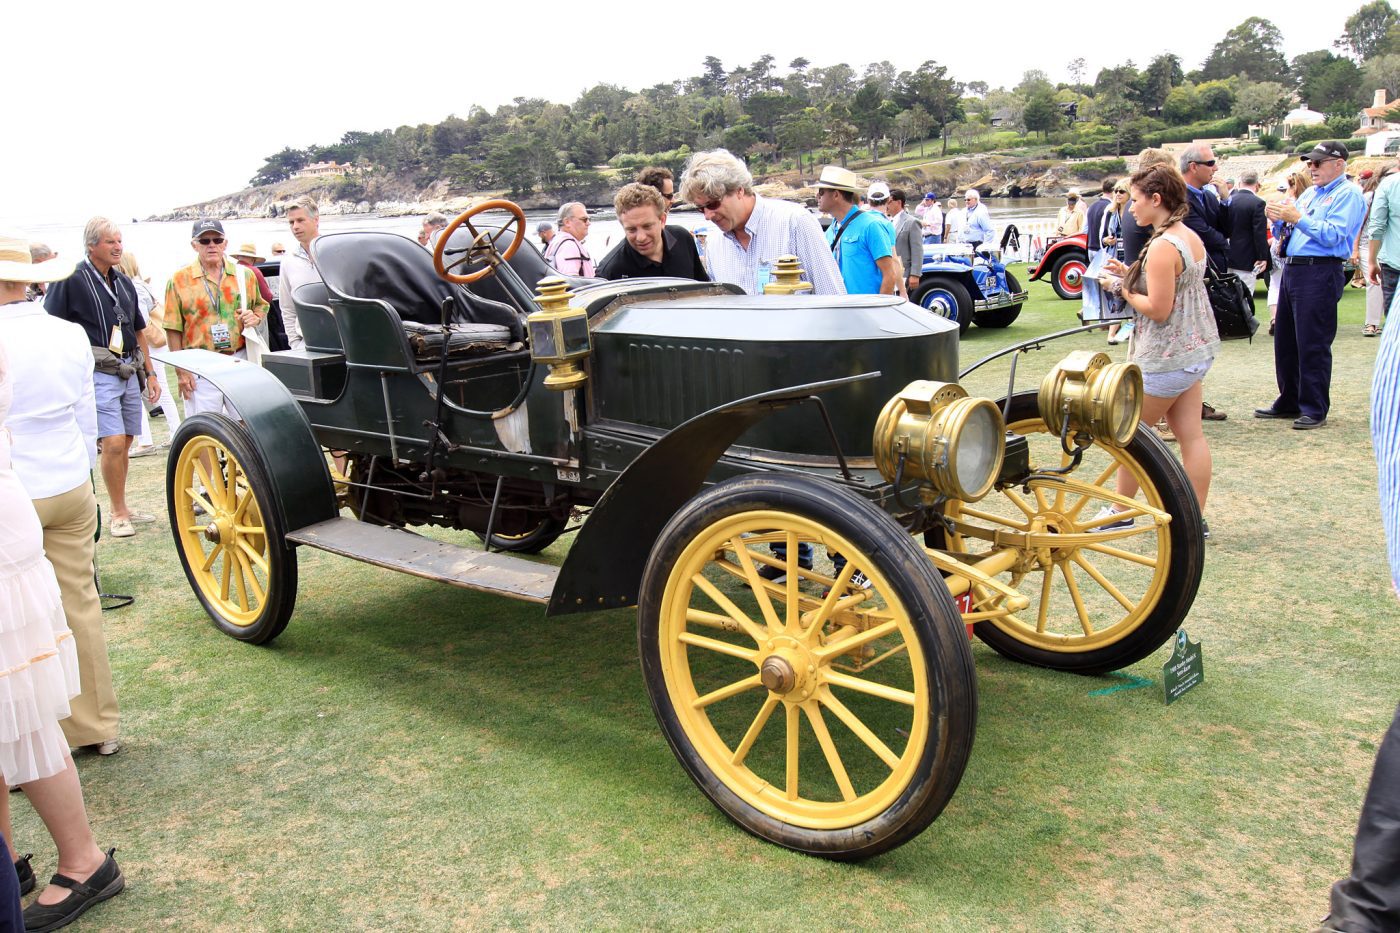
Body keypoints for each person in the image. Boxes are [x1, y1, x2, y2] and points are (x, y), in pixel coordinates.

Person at [0, 247, 125, 931]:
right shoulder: (66, 329)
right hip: (57, 479)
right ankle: (98, 725)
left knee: (18, 665)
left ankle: (64, 851)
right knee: (77, 608)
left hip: (15, 485)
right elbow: (86, 410)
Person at [1097, 164, 1220, 536]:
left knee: (1128, 435)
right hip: (1193, 353)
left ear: (1156, 199)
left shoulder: (1164, 246)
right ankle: (1193, 520)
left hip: (1166, 358)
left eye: (1134, 200)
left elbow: (1159, 309)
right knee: (1191, 436)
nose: (1129, 208)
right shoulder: (1186, 236)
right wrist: (1130, 274)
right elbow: (1173, 288)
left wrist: (1121, 289)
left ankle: (1120, 512)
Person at [41, 218, 160, 539]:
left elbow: (138, 329)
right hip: (96, 371)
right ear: (92, 245)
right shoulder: (70, 279)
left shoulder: (123, 281)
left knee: (128, 440)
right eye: (110, 242)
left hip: (129, 369)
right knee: (112, 442)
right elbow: (52, 326)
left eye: (120, 240)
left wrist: (149, 372)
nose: (118, 246)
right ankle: (118, 513)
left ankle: (120, 504)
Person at [1258, 141, 1367, 431]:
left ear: (1339, 164)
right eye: (1310, 163)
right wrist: (1279, 219)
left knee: (1312, 342)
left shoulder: (1349, 194)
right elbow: (1292, 228)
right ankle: (1290, 399)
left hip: (1320, 270)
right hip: (1294, 268)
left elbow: (1334, 235)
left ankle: (1314, 407)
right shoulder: (1310, 195)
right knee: (1286, 340)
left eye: (1318, 163)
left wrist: (1298, 218)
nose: (1312, 168)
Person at [678, 148, 843, 295]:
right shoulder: (714, 243)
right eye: (701, 209)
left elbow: (832, 298)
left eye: (713, 204)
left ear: (739, 190)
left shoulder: (795, 222)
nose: (708, 215)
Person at [164, 219, 270, 416]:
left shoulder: (245, 275)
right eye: (204, 241)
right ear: (194, 245)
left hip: (239, 360)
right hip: (199, 365)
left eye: (217, 239)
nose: (211, 245)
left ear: (225, 243)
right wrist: (181, 371)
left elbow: (262, 305)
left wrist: (254, 317)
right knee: (205, 429)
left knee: (247, 423)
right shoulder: (179, 280)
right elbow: (173, 328)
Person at [118, 252, 180, 456]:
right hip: (153, 343)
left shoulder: (132, 287)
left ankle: (146, 440)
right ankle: (172, 430)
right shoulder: (141, 284)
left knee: (143, 389)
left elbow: (140, 321)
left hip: (146, 344)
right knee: (157, 388)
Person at [596, 183, 708, 281]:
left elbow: (705, 290)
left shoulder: (682, 239)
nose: (641, 237)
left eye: (647, 226)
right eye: (631, 230)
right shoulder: (610, 271)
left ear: (663, 220)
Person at [815, 165, 898, 296]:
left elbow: (890, 275)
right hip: (839, 309)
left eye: (821, 192)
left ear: (836, 195)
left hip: (865, 311)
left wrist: (878, 312)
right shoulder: (831, 230)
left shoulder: (871, 226)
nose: (817, 196)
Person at [1268, 172, 1312, 336]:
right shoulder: (1306, 204)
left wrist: (1275, 223)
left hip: (1282, 248)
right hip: (1290, 249)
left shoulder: (1288, 205)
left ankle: (1275, 318)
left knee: (1276, 284)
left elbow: (1280, 232)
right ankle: (1289, 320)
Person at [1179, 143, 1230, 273]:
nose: (1216, 168)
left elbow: (1227, 230)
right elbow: (1205, 235)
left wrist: (1225, 200)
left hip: (1216, 273)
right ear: (1194, 167)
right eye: (1211, 163)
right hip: (1197, 274)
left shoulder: (1209, 196)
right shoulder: (1179, 199)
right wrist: (1225, 243)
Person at [279, 196, 321, 351]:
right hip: (305, 344)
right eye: (291, 222)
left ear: (316, 220)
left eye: (300, 220)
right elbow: (287, 307)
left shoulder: (335, 253)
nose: (295, 226)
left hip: (343, 342)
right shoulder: (288, 261)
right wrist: (295, 344)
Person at [1366, 159, 1400, 336]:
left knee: (1395, 326)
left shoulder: (1388, 184)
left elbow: (1377, 226)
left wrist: (1372, 261)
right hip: (1392, 261)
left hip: (1393, 263)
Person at [1226, 171, 1269, 294]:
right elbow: (1259, 233)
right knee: (1244, 298)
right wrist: (1262, 257)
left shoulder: (1228, 201)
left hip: (1227, 256)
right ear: (1256, 183)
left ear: (1240, 182)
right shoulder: (1258, 203)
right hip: (1247, 258)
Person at [881, 187, 924, 297]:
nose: (886, 205)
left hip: (905, 272)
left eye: (889, 202)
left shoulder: (912, 222)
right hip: (890, 273)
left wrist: (915, 274)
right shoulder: (887, 222)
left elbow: (917, 250)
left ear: (899, 202)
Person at [543, 203, 595, 277]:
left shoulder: (557, 241)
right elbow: (570, 281)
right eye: (584, 219)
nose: (588, 223)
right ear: (567, 222)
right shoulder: (568, 246)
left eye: (589, 219)